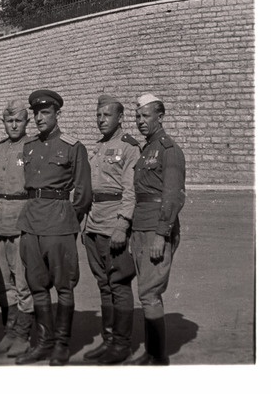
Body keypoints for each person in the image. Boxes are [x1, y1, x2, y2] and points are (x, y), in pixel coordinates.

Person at [16, 89, 92, 366]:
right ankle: (43, 343)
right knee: (37, 286)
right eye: (36, 112)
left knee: (63, 287)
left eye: (45, 112)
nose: (39, 117)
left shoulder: (73, 146)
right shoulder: (30, 146)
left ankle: (61, 344)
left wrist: (65, 217)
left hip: (59, 225)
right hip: (31, 223)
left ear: (58, 114)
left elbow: (83, 193)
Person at [82, 94, 140, 365]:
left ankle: (122, 344)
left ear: (120, 118)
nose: (101, 120)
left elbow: (130, 191)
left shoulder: (129, 148)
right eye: (98, 115)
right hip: (93, 223)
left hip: (113, 224)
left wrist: (122, 225)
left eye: (106, 115)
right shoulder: (97, 147)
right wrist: (85, 226)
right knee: (103, 284)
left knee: (119, 284)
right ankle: (108, 341)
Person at [129, 92, 186, 365]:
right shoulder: (146, 149)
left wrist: (161, 235)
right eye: (137, 116)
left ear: (160, 117)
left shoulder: (168, 149)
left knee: (149, 294)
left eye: (145, 116)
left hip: (156, 228)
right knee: (146, 293)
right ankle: (152, 352)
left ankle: (158, 357)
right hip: (141, 226)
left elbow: (173, 195)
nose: (140, 121)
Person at [0, 99, 34, 358]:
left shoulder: (32, 147)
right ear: (3, 123)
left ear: (26, 122)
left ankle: (23, 336)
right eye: (9, 121)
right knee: (4, 284)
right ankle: (9, 333)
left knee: (23, 283)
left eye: (18, 120)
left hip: (21, 221)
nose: (14, 125)